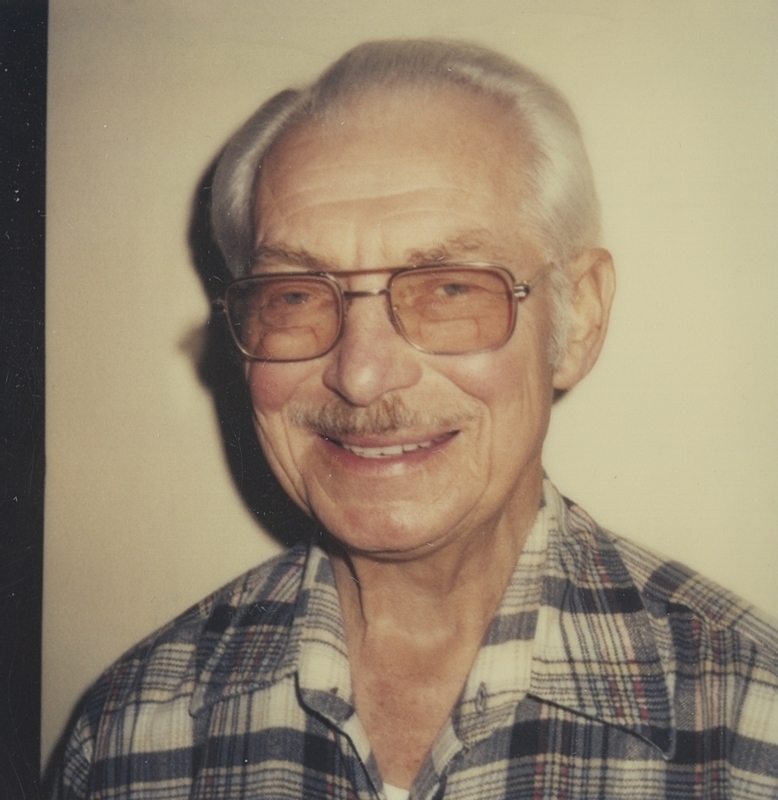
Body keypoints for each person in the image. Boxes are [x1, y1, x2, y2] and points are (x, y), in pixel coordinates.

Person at [50, 39, 778, 800]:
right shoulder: (132, 735)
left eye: (449, 289)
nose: (362, 375)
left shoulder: (749, 728)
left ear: (580, 318)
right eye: (295, 295)